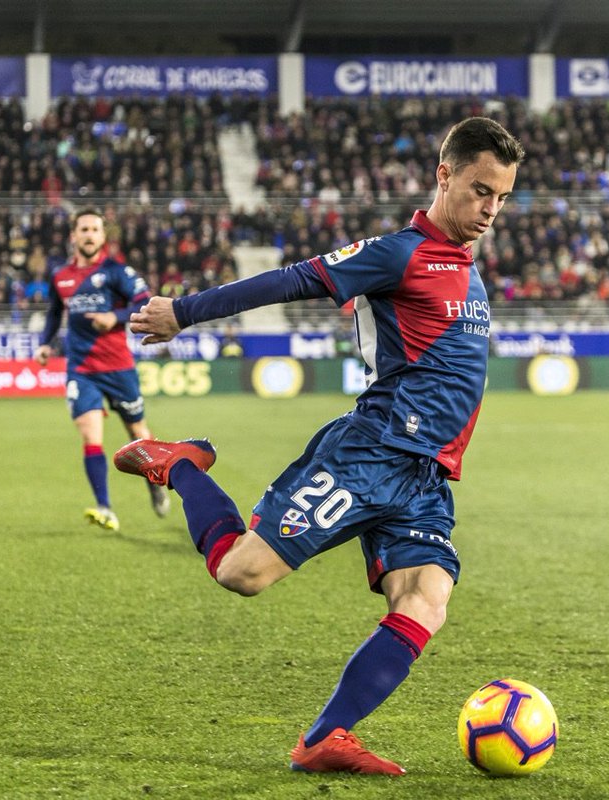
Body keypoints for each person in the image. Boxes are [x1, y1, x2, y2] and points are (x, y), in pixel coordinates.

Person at [111, 117, 525, 775]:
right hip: (369, 455)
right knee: (240, 574)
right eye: (480, 191)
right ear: (444, 175)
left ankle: (325, 738)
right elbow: (294, 281)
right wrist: (183, 311)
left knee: (426, 598)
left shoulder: (466, 268)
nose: (490, 210)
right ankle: (182, 466)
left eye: (502, 197)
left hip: (422, 479)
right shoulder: (400, 253)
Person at [35, 208, 170, 532]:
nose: (89, 234)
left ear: (102, 236)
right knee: (89, 434)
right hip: (81, 369)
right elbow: (54, 312)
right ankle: (105, 507)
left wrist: (116, 317)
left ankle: (153, 482)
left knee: (139, 435)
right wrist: (45, 342)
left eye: (95, 229)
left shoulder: (116, 271)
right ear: (74, 236)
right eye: (84, 229)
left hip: (118, 368)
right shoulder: (60, 275)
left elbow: (143, 300)